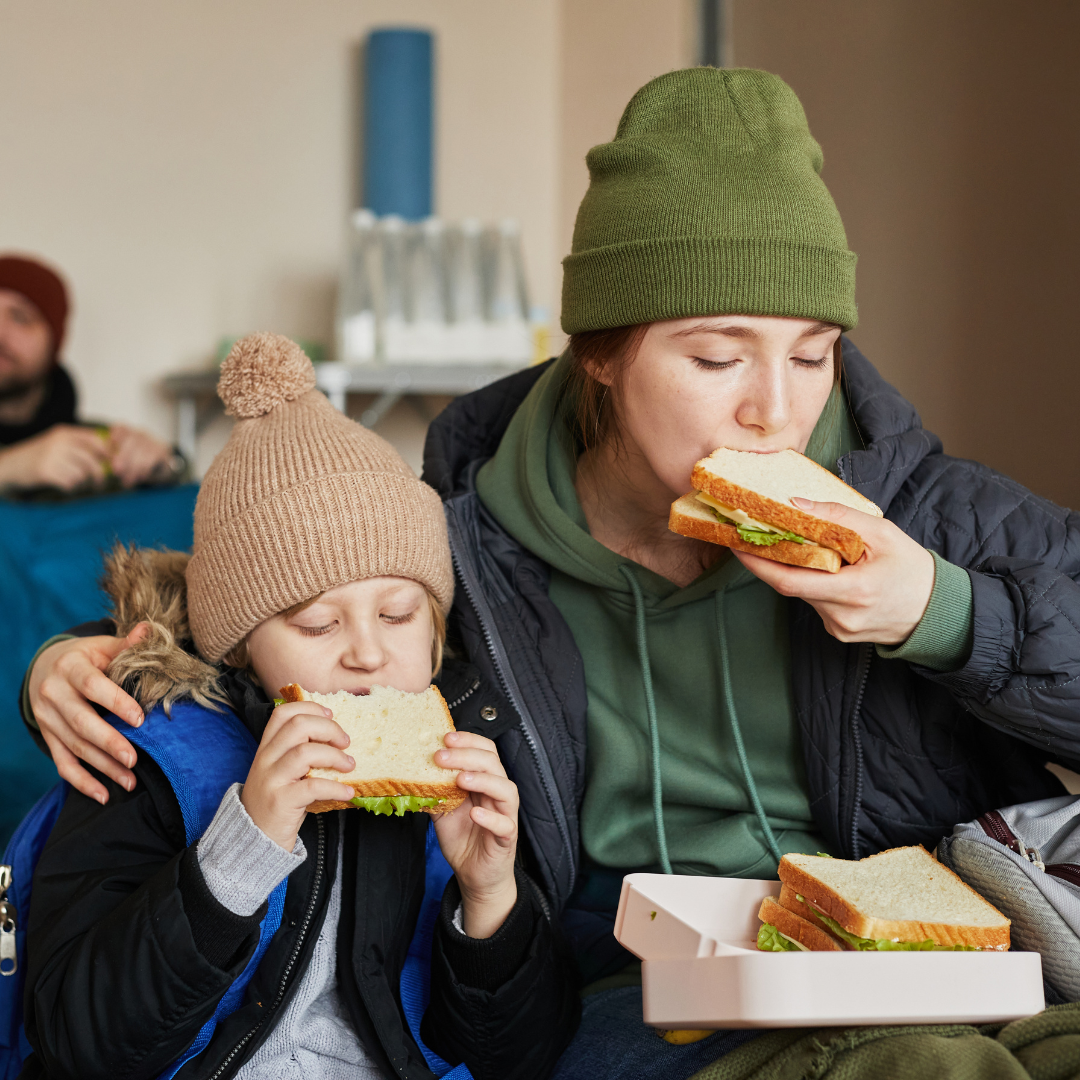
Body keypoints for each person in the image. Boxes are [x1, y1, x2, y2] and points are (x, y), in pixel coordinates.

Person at [18, 69, 1080, 1078]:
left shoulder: (914, 506)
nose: (778, 409)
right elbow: (285, 586)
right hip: (631, 984)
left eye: (812, 354)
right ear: (601, 355)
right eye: (718, 357)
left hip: (922, 957)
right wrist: (79, 658)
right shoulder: (470, 545)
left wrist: (943, 613)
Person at [20, 333, 577, 1080]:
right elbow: (77, 1040)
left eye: (400, 613)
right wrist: (241, 848)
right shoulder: (145, 751)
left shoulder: (473, 752)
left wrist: (491, 900)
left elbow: (522, 1059)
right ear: (240, 645)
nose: (367, 654)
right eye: (317, 623)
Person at [0, 254, 177, 491]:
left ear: (55, 341)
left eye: (21, 318)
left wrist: (166, 466)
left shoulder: (99, 447)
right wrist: (10, 467)